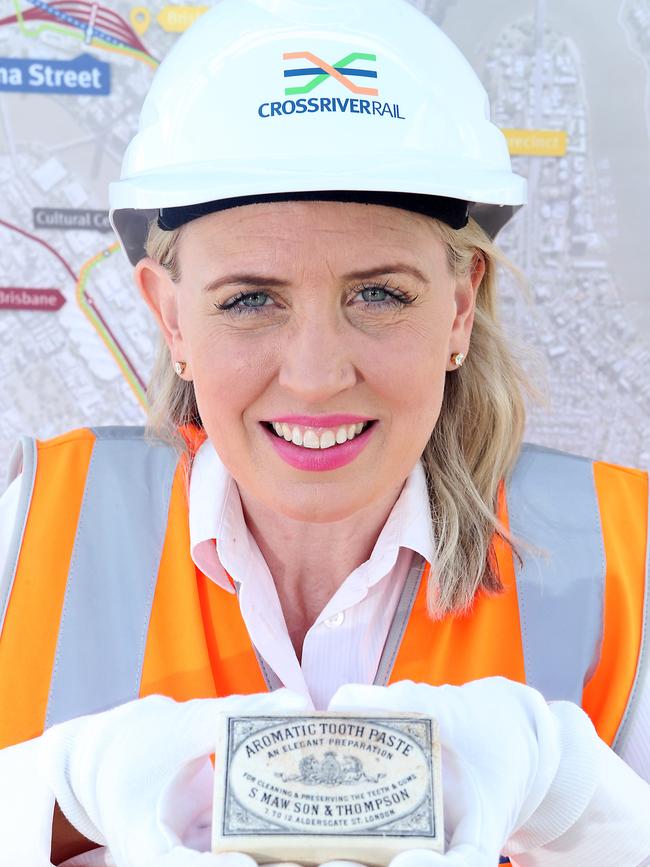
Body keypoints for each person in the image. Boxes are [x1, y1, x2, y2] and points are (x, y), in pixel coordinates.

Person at [0, 0, 649, 865]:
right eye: (249, 300)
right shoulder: (23, 530)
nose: (315, 374)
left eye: (379, 293)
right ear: (171, 319)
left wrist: (588, 804)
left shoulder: (629, 553)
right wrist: (48, 804)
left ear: (458, 308)